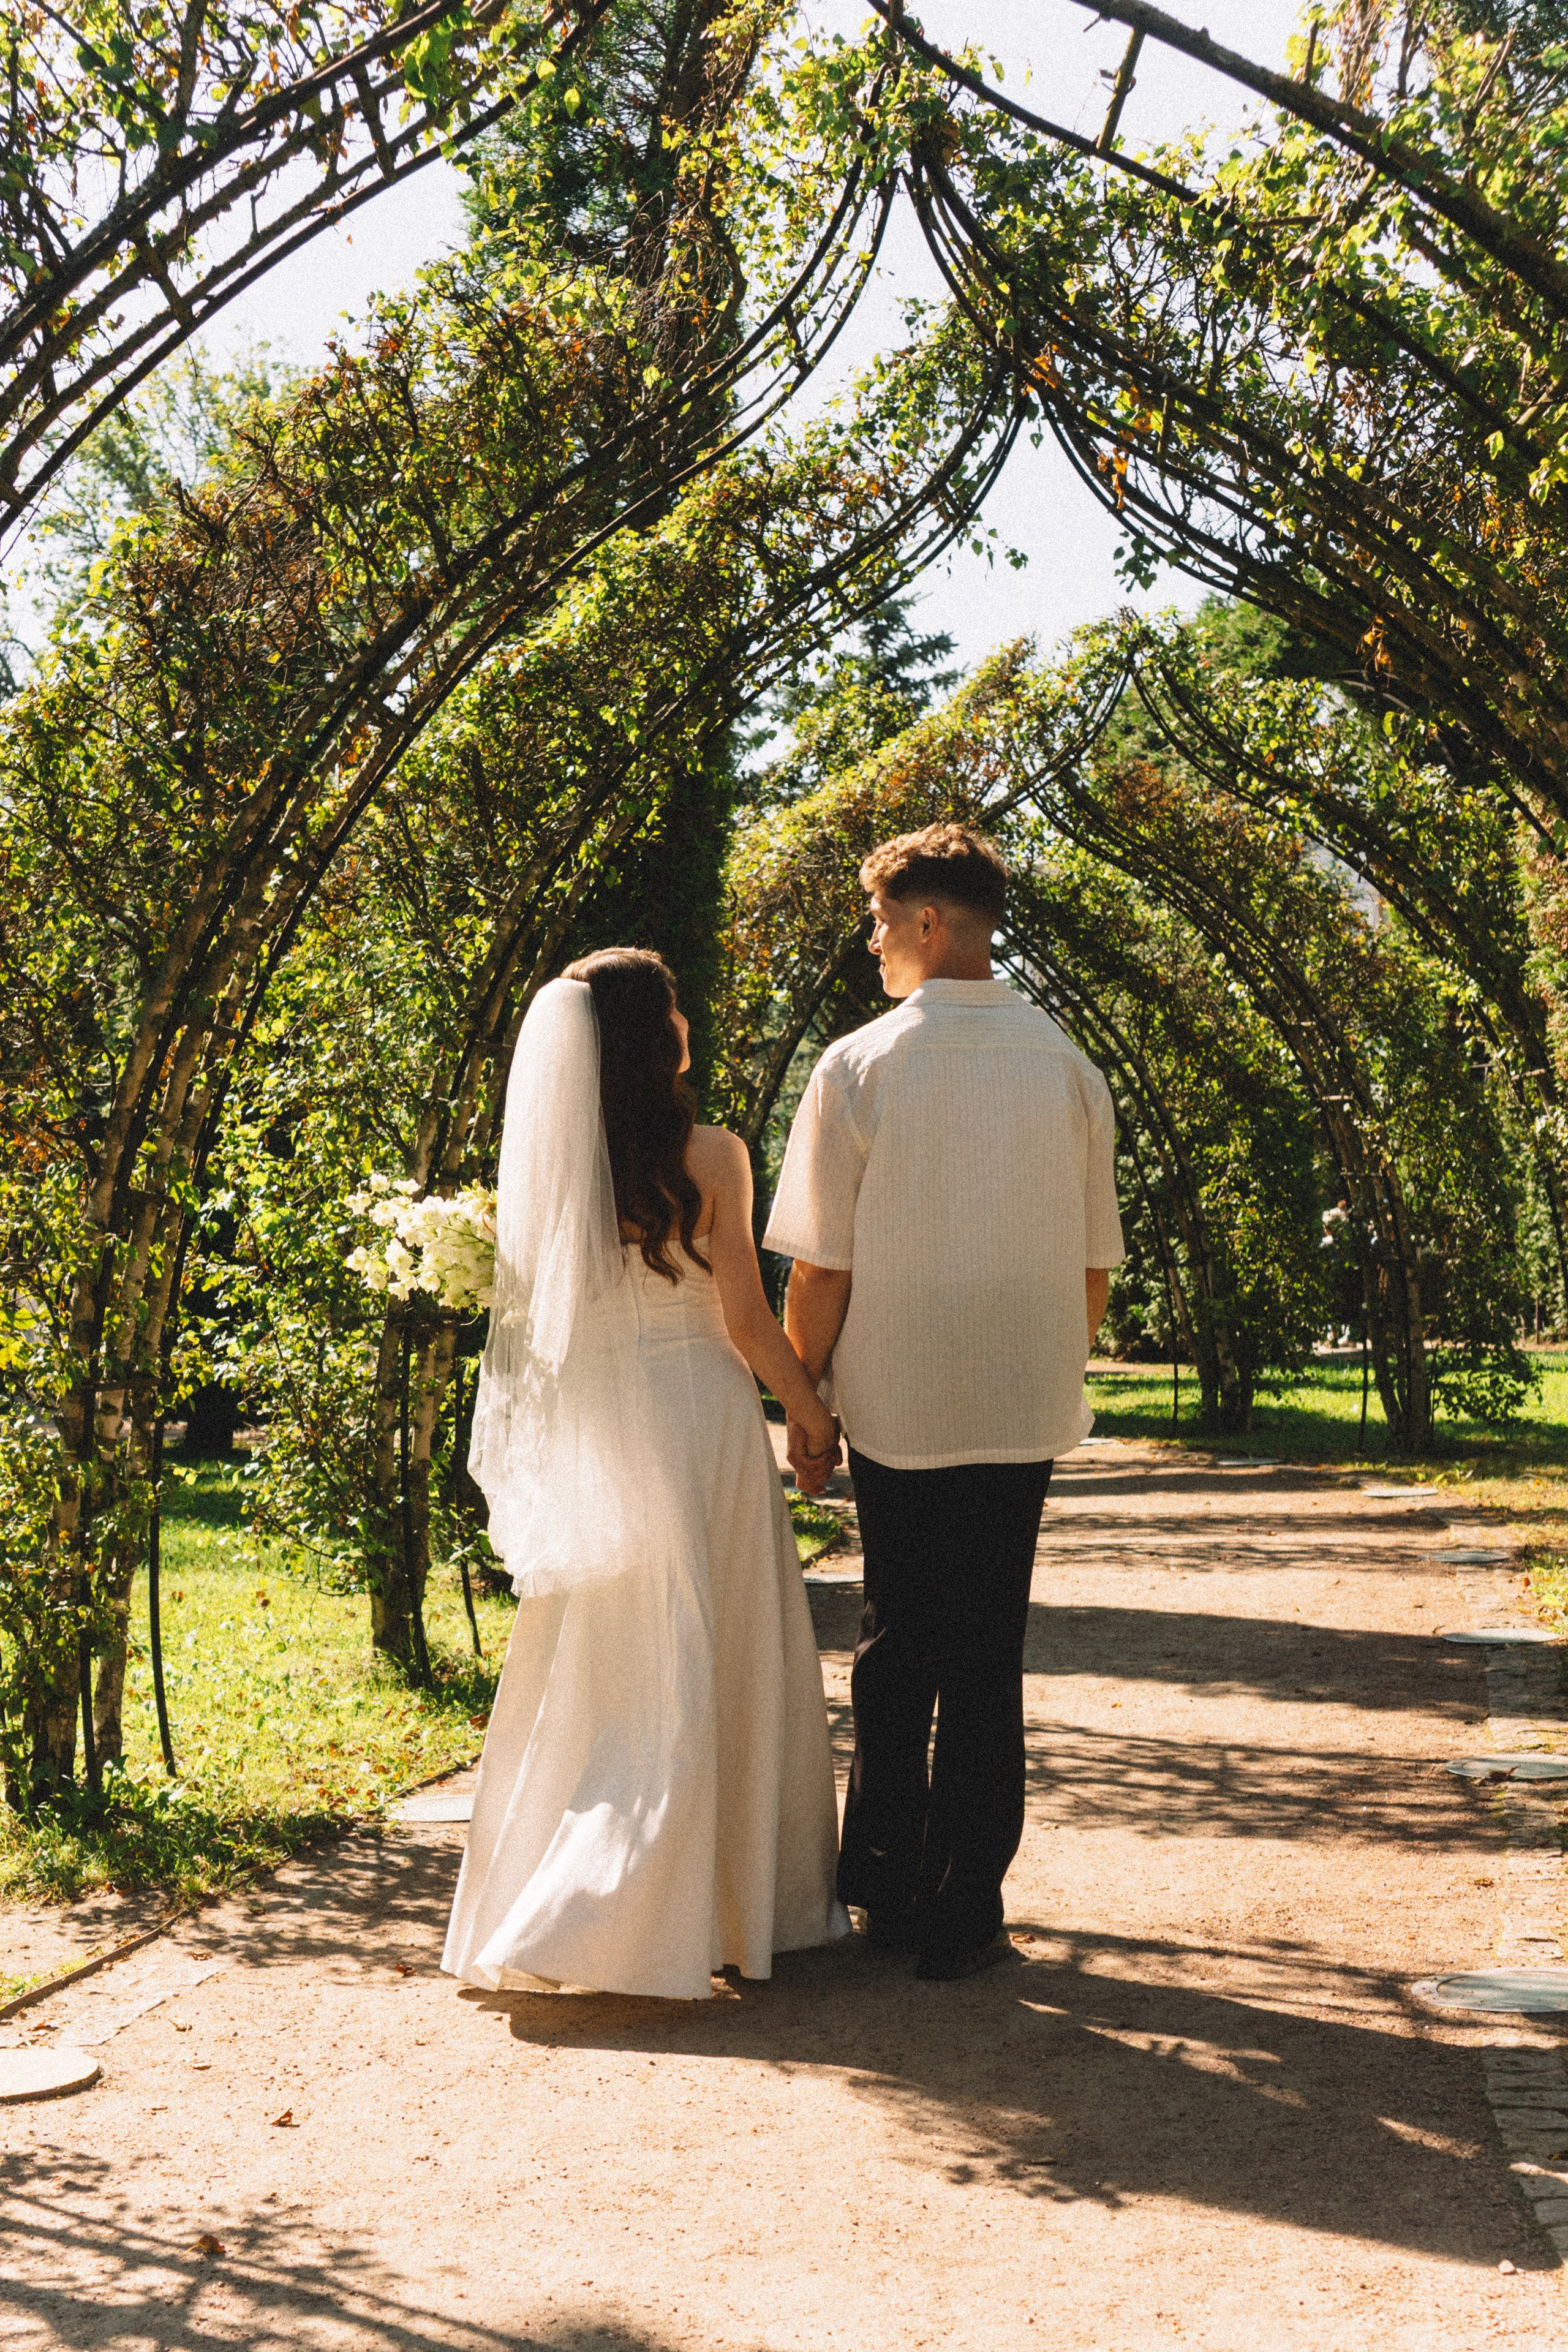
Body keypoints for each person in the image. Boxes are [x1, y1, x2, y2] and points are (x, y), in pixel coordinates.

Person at [443, 949, 848, 2002]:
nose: (684, 1014)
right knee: (714, 1651)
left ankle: (576, 1900)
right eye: (673, 1001)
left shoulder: (561, 1162)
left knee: (610, 1663)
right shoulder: (711, 1152)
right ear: (649, 1031)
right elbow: (745, 1319)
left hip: (609, 1430)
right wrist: (809, 1414)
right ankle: (705, 1911)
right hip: (703, 1424)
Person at [763, 824, 1123, 1982]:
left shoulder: (859, 1066)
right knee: (987, 1648)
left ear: (928, 924)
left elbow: (820, 1264)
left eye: (878, 922)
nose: (871, 944)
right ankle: (970, 1901)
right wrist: (1044, 1365)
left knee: (896, 1640)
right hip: (1022, 1399)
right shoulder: (1068, 1065)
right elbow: (1094, 1266)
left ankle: (888, 1882)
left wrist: (804, 1400)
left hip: (902, 1397)